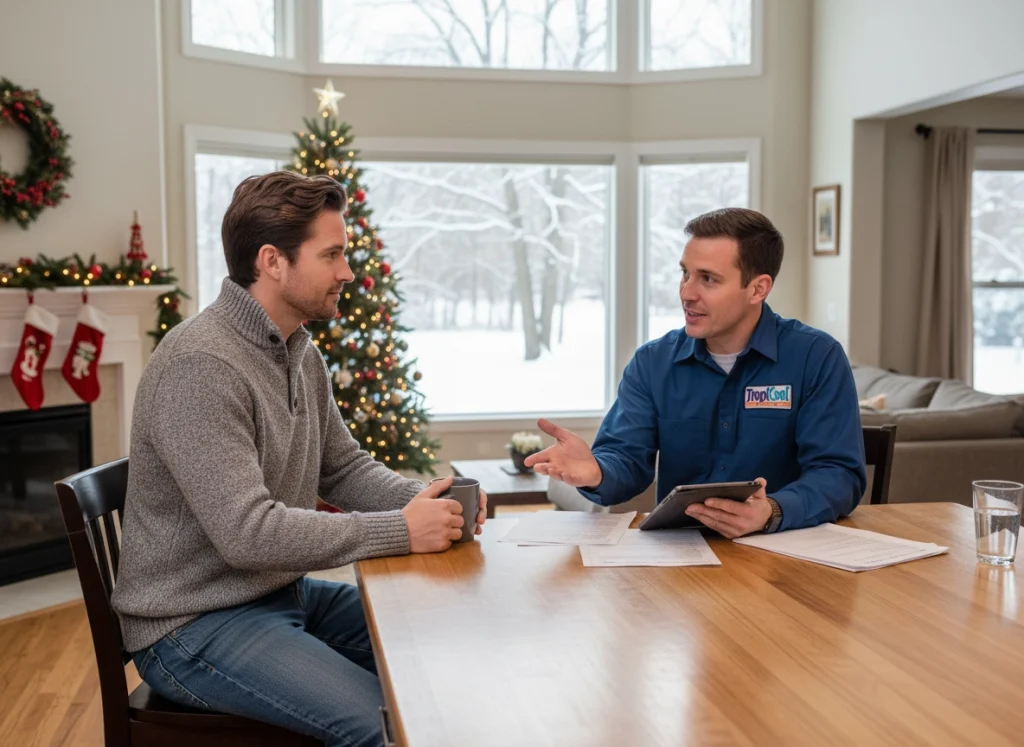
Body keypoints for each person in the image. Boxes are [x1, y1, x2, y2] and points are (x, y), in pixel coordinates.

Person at [110, 171, 487, 747]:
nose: (347, 272)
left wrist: (426, 498)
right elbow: (248, 533)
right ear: (272, 261)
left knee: (444, 647)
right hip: (194, 625)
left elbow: (343, 468)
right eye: (332, 255)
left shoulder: (296, 350)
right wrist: (400, 531)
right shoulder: (201, 366)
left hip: (275, 594)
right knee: (388, 730)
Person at [526, 207, 866, 538]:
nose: (687, 293)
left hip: (783, 551)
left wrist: (772, 510)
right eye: (685, 274)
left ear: (758, 288)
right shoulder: (652, 363)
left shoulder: (816, 358)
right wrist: (595, 472)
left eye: (708, 279)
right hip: (680, 559)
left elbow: (839, 474)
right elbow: (626, 459)